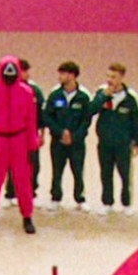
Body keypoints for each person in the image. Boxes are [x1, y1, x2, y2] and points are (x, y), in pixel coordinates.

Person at [0, 55, 42, 235]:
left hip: (20, 140)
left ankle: (27, 216)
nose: (9, 77)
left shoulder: (27, 93)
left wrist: (33, 146)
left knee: (24, 182)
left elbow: (32, 122)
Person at [93, 63, 138, 213]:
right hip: (105, 143)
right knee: (105, 173)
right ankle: (107, 203)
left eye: (114, 77)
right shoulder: (101, 93)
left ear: (122, 78)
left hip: (123, 144)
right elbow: (90, 110)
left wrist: (137, 142)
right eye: (108, 76)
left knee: (125, 175)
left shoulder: (131, 97)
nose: (110, 80)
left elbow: (137, 121)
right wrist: (103, 97)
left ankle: (126, 204)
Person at [42, 61, 94, 208]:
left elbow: (86, 120)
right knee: (57, 171)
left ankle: (80, 199)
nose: (60, 76)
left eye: (63, 74)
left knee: (78, 171)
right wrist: (60, 132)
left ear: (72, 76)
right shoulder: (55, 95)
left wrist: (74, 136)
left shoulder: (83, 97)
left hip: (76, 143)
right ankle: (55, 198)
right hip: (58, 142)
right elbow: (47, 117)